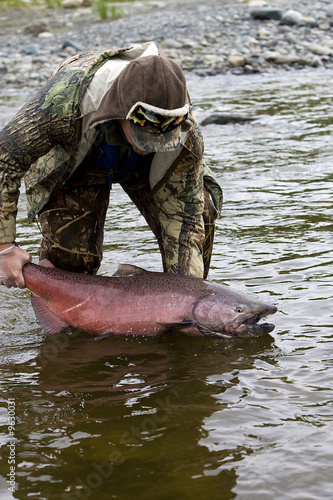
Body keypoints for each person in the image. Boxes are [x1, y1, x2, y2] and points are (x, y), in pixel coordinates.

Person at [0, 42, 222, 289]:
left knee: (202, 213)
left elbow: (185, 221)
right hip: (76, 159)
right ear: (120, 110)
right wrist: (4, 248)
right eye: (145, 135)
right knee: (73, 259)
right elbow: (5, 160)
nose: (151, 145)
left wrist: (185, 300)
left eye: (161, 137)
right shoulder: (62, 103)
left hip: (147, 168)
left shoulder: (184, 130)